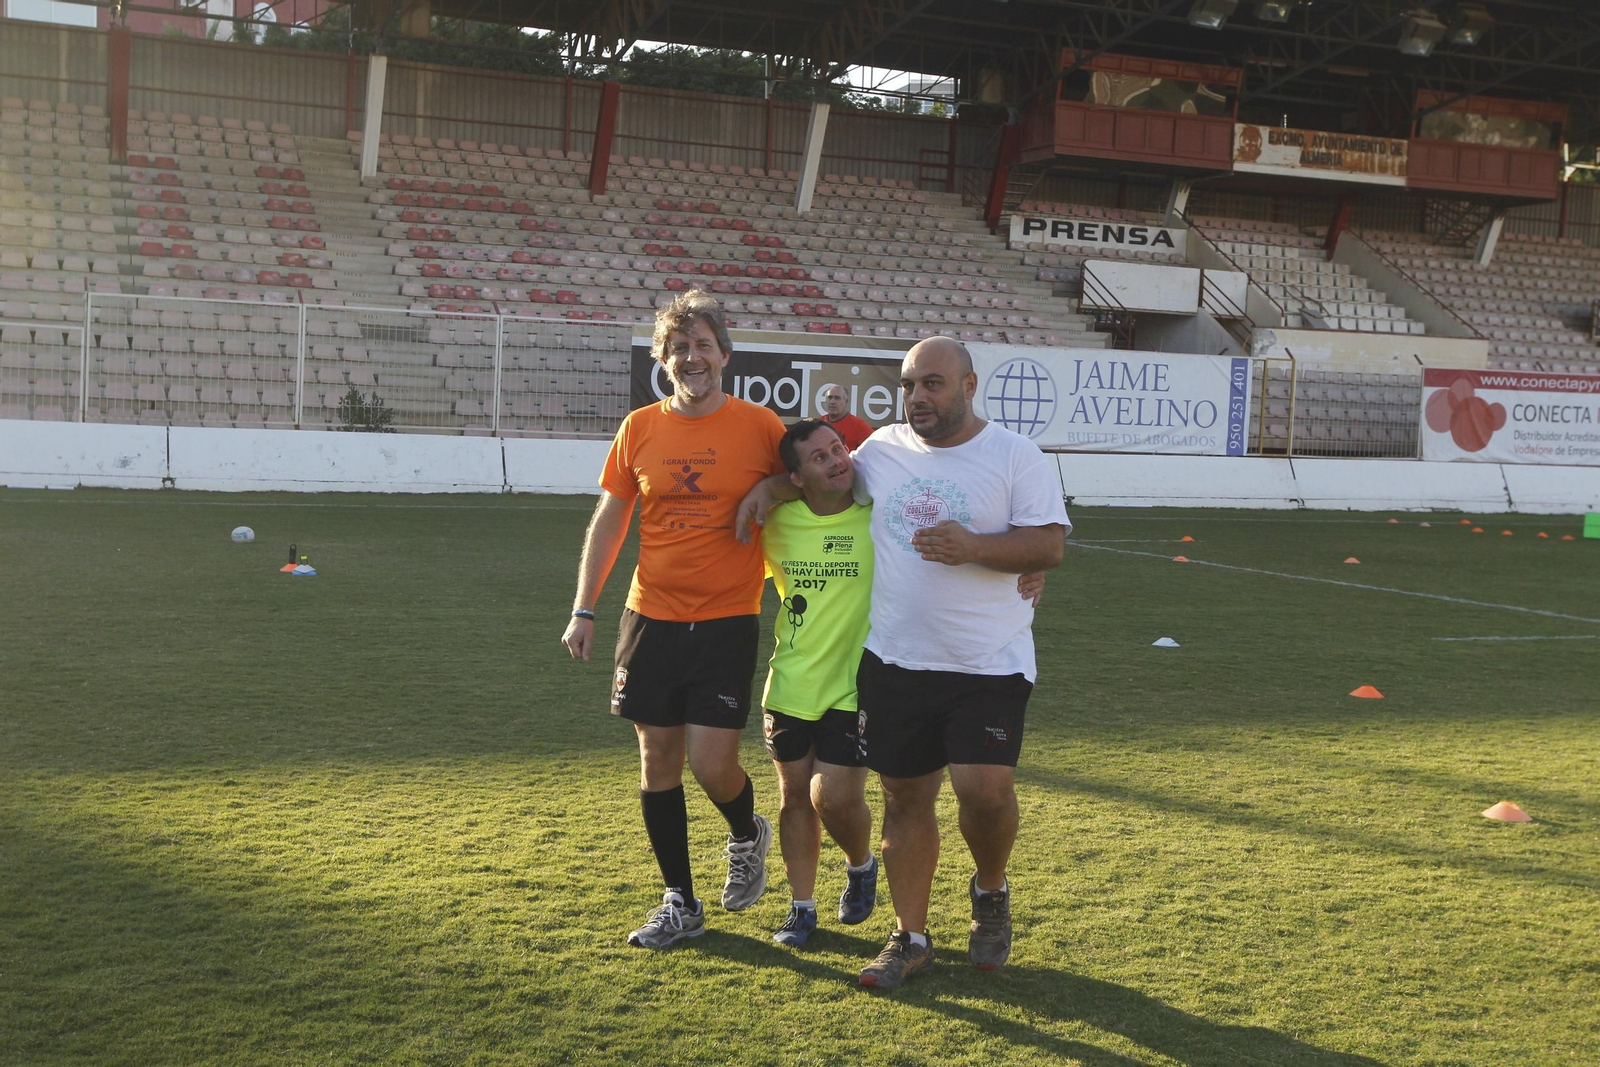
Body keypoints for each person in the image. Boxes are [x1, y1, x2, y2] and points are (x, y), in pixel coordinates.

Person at [740, 336, 1068, 989]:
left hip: (987, 662)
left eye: (933, 384)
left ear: (969, 386)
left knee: (985, 790)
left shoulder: (1015, 455)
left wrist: (977, 546)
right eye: (910, 384)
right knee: (905, 799)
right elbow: (826, 472)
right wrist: (773, 484)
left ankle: (991, 887)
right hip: (894, 662)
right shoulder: (882, 449)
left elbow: (1049, 543)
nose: (918, 396)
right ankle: (910, 937)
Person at [561, 289, 787, 950]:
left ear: (724, 354)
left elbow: (814, 484)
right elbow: (609, 521)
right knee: (656, 756)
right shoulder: (639, 428)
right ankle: (680, 901)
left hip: (726, 618)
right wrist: (584, 607)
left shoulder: (761, 426)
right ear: (665, 360)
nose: (693, 358)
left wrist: (771, 486)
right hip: (650, 616)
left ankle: (746, 832)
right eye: (679, 348)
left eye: (703, 346)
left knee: (712, 763)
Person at [819, 384, 873, 450]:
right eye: (830, 397)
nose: (832, 402)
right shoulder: (818, 424)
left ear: (846, 402)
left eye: (837, 398)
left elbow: (876, 448)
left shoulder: (858, 425)